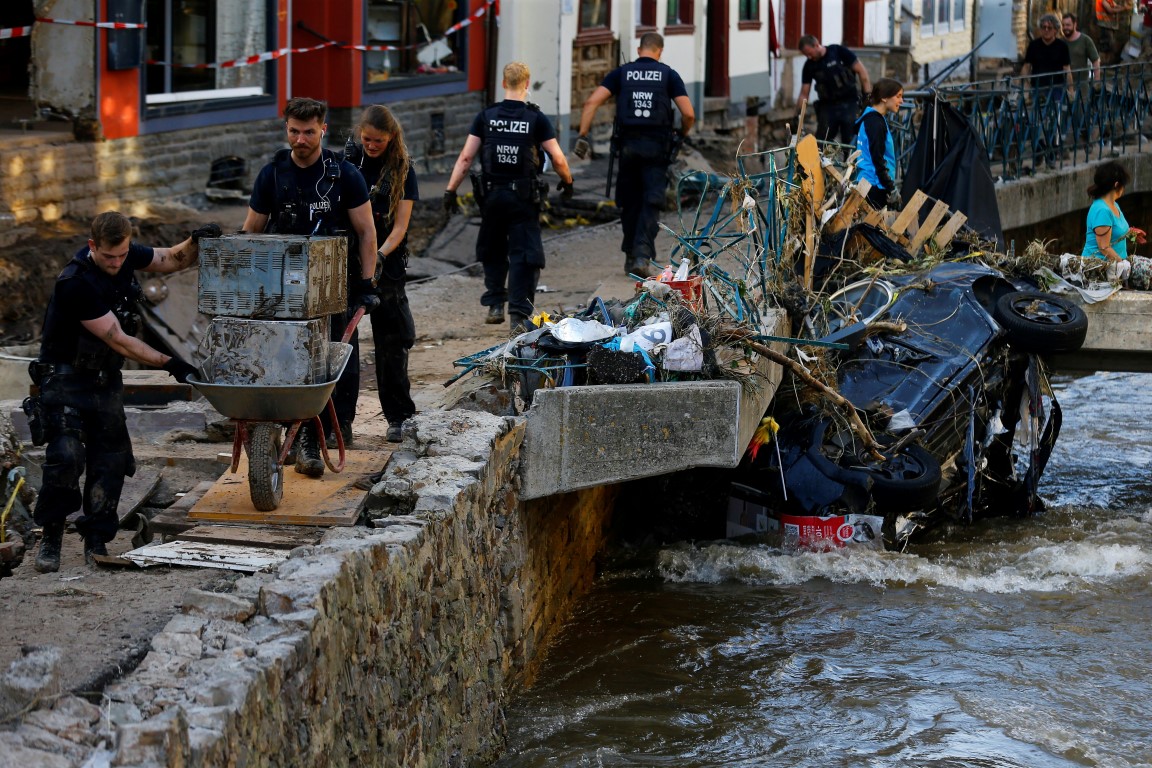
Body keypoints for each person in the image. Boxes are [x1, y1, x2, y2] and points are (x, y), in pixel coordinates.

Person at [31, 212, 219, 572]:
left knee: (110, 458)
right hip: (65, 378)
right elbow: (118, 338)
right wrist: (171, 363)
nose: (117, 263)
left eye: (121, 256)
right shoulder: (75, 283)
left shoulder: (127, 253)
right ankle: (52, 534)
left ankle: (97, 538)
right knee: (66, 456)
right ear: (92, 247)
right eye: (108, 257)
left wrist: (196, 241)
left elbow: (169, 259)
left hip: (103, 379)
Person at [241, 97, 378, 477]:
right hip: (282, 289)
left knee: (334, 359)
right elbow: (252, 230)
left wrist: (367, 284)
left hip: (334, 286)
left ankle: (330, 433)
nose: (301, 140)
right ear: (286, 130)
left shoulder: (344, 175)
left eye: (308, 132)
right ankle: (290, 433)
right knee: (283, 360)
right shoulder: (272, 174)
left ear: (323, 129)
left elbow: (367, 233)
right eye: (294, 132)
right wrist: (238, 275)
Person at [445, 61, 574, 331]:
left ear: (504, 84)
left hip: (491, 196)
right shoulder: (536, 118)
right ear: (527, 85)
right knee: (524, 255)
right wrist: (567, 181)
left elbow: (466, 157)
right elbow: (558, 158)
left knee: (492, 249)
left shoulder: (486, 116)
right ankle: (518, 315)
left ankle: (494, 303)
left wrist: (450, 189)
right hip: (523, 199)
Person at [574, 32, 695, 279]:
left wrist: (583, 135)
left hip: (627, 147)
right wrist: (680, 134)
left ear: (639, 49)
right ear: (659, 51)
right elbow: (689, 113)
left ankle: (631, 253)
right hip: (657, 148)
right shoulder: (668, 75)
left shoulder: (621, 73)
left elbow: (591, 103)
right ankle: (641, 254)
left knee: (629, 200)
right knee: (651, 201)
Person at [342, 105, 417, 444]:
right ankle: (340, 422)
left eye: (379, 141)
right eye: (367, 139)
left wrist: (382, 255)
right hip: (349, 261)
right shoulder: (348, 162)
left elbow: (401, 224)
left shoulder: (403, 169)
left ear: (391, 138)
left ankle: (399, 416)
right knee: (343, 344)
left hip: (388, 265)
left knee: (392, 342)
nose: (372, 146)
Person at [796, 35, 872, 147]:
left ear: (816, 45)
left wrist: (867, 98)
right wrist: (798, 115)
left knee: (851, 141)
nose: (809, 57)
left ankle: (851, 164)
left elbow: (862, 72)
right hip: (828, 107)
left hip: (850, 104)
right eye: (806, 55)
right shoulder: (809, 65)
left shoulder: (838, 51)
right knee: (821, 143)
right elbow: (804, 93)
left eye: (810, 53)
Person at [1020, 14, 1075, 168]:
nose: (1046, 30)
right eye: (1043, 27)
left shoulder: (1062, 46)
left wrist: (1071, 89)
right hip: (1038, 88)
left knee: (1053, 123)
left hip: (1056, 89)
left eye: (1049, 28)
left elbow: (1066, 69)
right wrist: (1022, 86)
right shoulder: (1034, 45)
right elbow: (1026, 66)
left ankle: (1050, 155)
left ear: (1056, 30)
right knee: (1033, 122)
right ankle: (1039, 150)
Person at [1081, 160, 1147, 283]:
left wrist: (1132, 234)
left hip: (1117, 265)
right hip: (1101, 269)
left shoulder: (1114, 205)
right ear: (1116, 185)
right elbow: (1104, 247)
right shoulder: (1102, 210)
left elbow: (1116, 231)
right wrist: (1123, 265)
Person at [854, 78, 904, 211]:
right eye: (898, 96)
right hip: (874, 185)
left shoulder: (871, 118)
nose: (901, 101)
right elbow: (877, 159)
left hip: (868, 182)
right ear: (884, 98)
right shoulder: (875, 123)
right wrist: (890, 187)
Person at [1062, 13, 1102, 89]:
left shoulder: (1085, 40)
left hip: (1081, 86)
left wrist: (1097, 81)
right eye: (1063, 25)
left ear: (1075, 24)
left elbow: (1095, 61)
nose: (1065, 27)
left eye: (1068, 25)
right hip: (1063, 86)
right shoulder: (1060, 42)